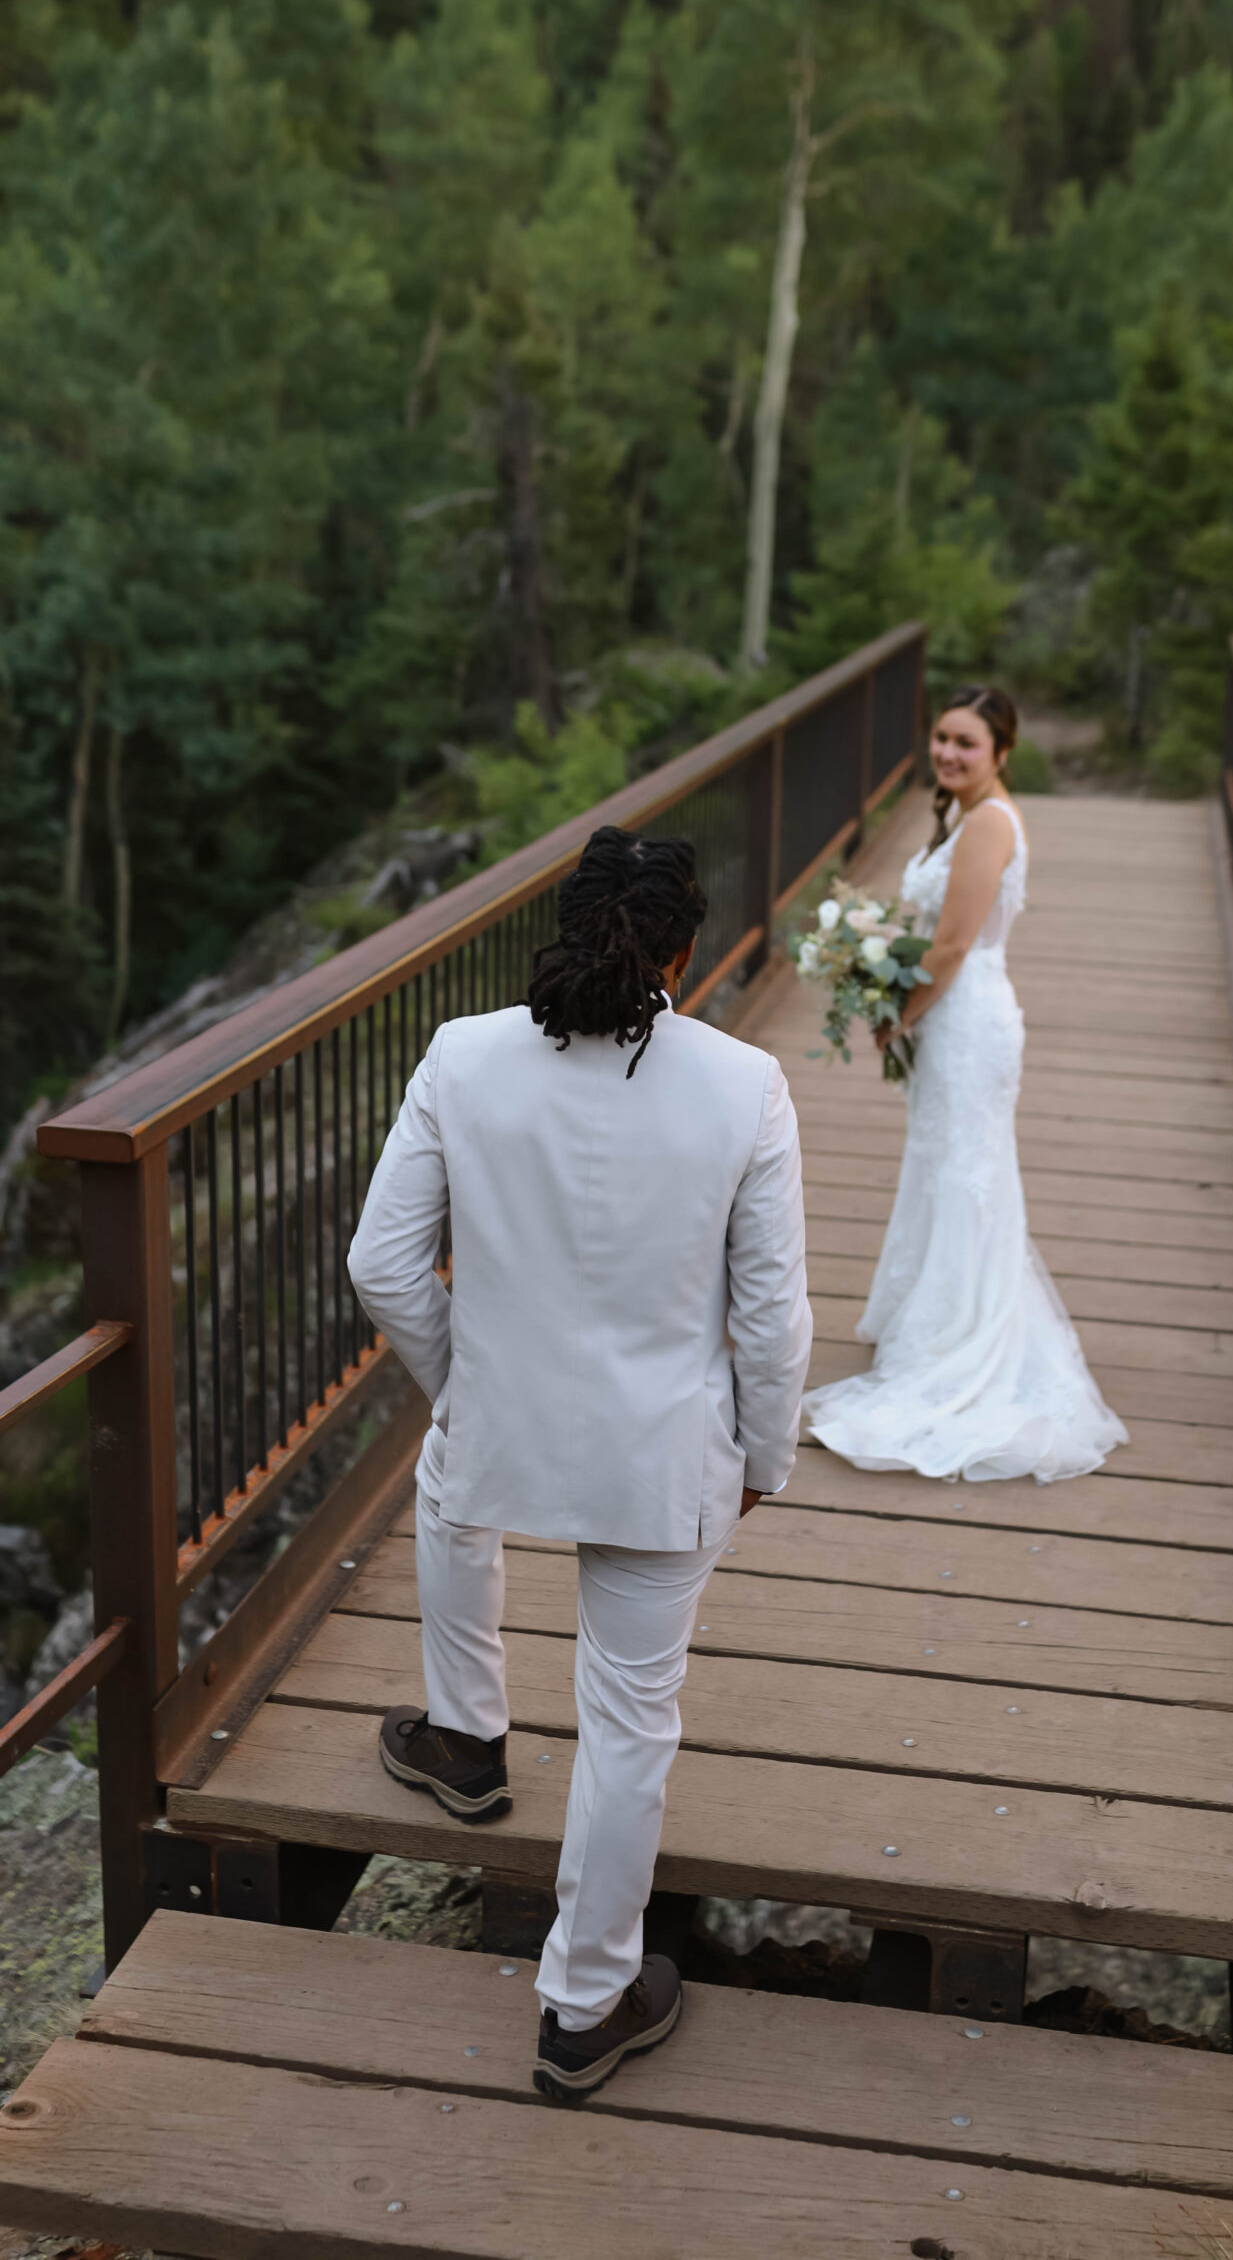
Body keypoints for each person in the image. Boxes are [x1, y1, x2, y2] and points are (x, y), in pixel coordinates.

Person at [347, 826, 811, 2102]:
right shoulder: (746, 1083)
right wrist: (763, 1451)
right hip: (664, 1456)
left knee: (451, 1484)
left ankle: (466, 1734)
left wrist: (465, 1387)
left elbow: (382, 1265)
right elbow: (771, 1318)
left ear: (563, 926)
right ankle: (584, 2002)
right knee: (627, 1717)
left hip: (503, 1420)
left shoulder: (464, 1055)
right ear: (684, 949)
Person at [804, 686, 1128, 1484]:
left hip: (964, 1017)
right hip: (953, 1018)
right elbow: (927, 931)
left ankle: (961, 1336)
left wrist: (899, 1016)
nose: (947, 753)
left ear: (1001, 751)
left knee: (965, 1171)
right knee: (943, 1164)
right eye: (942, 738)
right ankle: (932, 1312)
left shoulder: (987, 822)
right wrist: (872, 950)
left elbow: (948, 949)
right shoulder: (960, 814)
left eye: (966, 744)